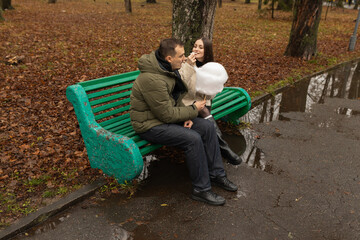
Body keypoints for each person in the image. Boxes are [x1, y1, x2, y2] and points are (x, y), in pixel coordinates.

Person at [130, 38, 238, 206]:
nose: (185, 58)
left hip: (164, 117)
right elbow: (166, 114)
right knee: (192, 138)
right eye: (181, 56)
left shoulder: (167, 69)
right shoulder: (153, 79)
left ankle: (217, 175)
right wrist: (193, 110)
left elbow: (175, 98)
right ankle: (201, 190)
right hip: (150, 125)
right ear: (169, 58)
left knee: (207, 126)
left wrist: (187, 116)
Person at [179, 37, 243, 165]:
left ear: (207, 51)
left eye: (200, 47)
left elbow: (210, 95)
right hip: (184, 103)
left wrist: (205, 93)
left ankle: (219, 151)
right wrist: (188, 66)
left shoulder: (211, 68)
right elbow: (180, 86)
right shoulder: (184, 63)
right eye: (195, 46)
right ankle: (224, 148)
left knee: (204, 111)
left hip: (203, 104)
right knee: (204, 112)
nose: (196, 49)